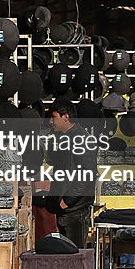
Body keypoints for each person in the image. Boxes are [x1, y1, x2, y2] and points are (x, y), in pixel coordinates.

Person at [46, 100, 94, 248]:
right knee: (66, 256)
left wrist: (67, 201)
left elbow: (87, 175)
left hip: (75, 210)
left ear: (65, 117)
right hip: (65, 209)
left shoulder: (81, 139)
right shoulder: (62, 137)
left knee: (75, 256)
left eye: (54, 117)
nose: (51, 122)